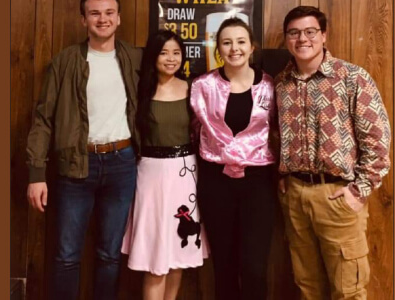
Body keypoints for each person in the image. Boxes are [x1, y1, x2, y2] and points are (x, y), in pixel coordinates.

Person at [25, 0, 142, 299]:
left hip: (122, 164)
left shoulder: (135, 58)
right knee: (66, 256)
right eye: (94, 13)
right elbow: (43, 118)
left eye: (108, 13)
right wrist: (36, 173)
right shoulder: (65, 61)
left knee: (109, 255)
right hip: (76, 165)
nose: (102, 19)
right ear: (83, 20)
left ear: (118, 18)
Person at [275, 6, 391, 300]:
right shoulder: (281, 84)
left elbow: (377, 141)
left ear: (323, 35)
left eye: (310, 31)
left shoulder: (351, 78)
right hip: (295, 197)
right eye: (294, 33)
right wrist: (283, 176)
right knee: (307, 286)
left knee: (348, 289)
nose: (303, 38)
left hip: (337, 197)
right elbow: (274, 136)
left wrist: (359, 191)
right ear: (287, 38)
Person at [190, 17, 277, 300]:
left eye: (241, 42)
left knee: (254, 266)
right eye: (226, 42)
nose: (234, 48)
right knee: (224, 265)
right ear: (219, 48)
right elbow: (191, 129)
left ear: (252, 47)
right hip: (216, 182)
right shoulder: (202, 86)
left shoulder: (270, 86)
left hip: (258, 183)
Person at [121, 30, 208, 300]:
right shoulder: (139, 90)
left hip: (186, 174)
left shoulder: (194, 88)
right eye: (163, 52)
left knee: (178, 254)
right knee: (156, 256)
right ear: (153, 56)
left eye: (176, 53)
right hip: (151, 174)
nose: (171, 59)